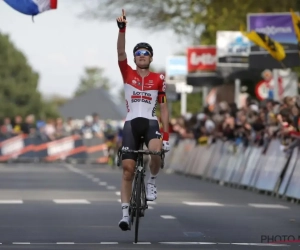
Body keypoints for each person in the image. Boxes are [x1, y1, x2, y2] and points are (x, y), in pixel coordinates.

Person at [116, 9, 171, 231]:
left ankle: (152, 181)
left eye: (145, 53)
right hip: (131, 123)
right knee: (128, 170)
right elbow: (120, 51)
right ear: (135, 57)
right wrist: (122, 29)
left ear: (150, 58)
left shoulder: (159, 78)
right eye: (138, 52)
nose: (141, 55)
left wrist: (166, 135)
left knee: (156, 152)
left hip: (150, 123)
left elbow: (164, 108)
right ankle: (125, 215)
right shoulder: (127, 73)